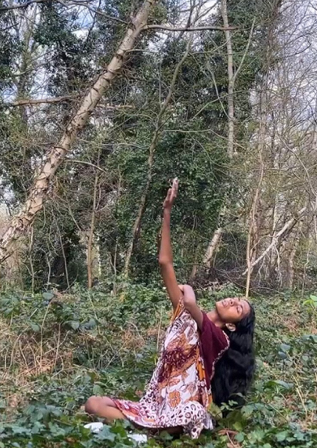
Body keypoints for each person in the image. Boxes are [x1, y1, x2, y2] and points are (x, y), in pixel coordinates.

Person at [84, 178, 256, 439]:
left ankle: (143, 432)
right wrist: (167, 211)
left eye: (238, 308)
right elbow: (165, 263)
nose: (232, 301)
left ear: (232, 325)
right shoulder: (183, 314)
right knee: (93, 404)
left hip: (182, 410)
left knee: (194, 413)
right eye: (235, 298)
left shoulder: (218, 339)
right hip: (155, 404)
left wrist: (190, 291)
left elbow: (189, 302)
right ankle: (143, 430)